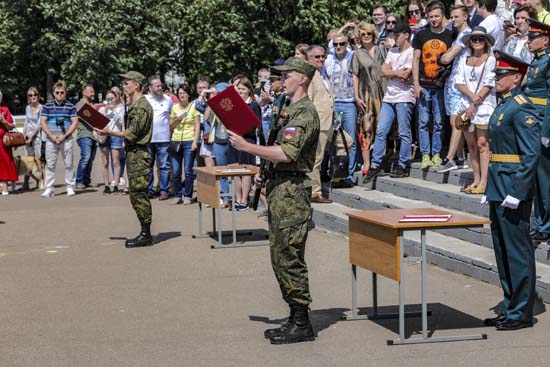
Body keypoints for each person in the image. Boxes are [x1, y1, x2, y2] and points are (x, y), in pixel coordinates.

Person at [227, 57, 319, 344]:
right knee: (279, 255)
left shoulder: (305, 113)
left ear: (302, 78)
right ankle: (294, 317)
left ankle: (302, 322)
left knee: (289, 256)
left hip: (292, 191)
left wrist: (248, 147)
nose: (281, 80)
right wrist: (263, 172)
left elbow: (288, 153)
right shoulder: (287, 107)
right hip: (280, 186)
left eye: (287, 75)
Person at [482, 51, 539, 330]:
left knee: (517, 251)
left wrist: (517, 191)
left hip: (513, 188)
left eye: (502, 75)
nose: (497, 79)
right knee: (503, 251)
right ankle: (509, 305)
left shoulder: (521, 107)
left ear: (516, 78)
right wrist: (490, 188)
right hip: (499, 186)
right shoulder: (504, 105)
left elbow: (530, 156)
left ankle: (521, 312)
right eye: (496, 75)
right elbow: (498, 152)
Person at [94, 71, 154, 248]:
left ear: (136, 85)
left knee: (139, 194)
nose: (124, 85)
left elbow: (131, 134)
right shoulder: (135, 105)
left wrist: (108, 132)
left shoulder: (142, 107)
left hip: (138, 154)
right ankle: (144, 232)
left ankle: (146, 234)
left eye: (127, 83)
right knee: (135, 194)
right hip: (134, 154)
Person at [363, 22, 416, 183]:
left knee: (404, 131)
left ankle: (403, 163)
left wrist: (391, 73)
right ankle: (375, 165)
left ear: (406, 35)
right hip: (390, 96)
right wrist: (394, 73)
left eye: (397, 35)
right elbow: (382, 71)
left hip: (405, 95)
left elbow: (405, 75)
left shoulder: (412, 52)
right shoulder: (392, 51)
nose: (394, 38)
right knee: (381, 130)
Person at [455, 27, 497, 195]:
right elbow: (458, 82)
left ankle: (485, 181)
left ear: (485, 41)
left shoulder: (490, 60)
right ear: (470, 43)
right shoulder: (464, 60)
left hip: (484, 105)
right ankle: (476, 178)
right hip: (466, 104)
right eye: (474, 39)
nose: (477, 42)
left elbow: (489, 84)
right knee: (471, 145)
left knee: (482, 144)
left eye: (481, 39)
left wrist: (475, 102)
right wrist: (471, 98)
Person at [412, 1, 455, 169]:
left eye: (437, 16)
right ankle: (425, 154)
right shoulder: (421, 35)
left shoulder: (450, 36)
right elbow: (415, 59)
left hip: (440, 86)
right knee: (423, 121)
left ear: (442, 15)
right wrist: (416, 84)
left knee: (438, 122)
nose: (434, 19)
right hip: (424, 84)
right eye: (430, 17)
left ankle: (436, 153)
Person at [523, 18, 550, 242]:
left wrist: (546, 132)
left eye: (533, 38)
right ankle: (540, 222)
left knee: (544, 179)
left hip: (542, 125)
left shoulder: (548, 62)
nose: (529, 41)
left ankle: (545, 224)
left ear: (545, 39)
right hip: (532, 124)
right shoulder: (536, 62)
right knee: (537, 179)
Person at [437, 5, 472, 173]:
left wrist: (443, 57)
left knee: (456, 121)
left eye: (456, 16)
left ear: (465, 17)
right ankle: (460, 157)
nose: (453, 20)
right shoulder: (458, 34)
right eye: (451, 17)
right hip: (453, 82)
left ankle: (450, 158)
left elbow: (447, 57)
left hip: (460, 82)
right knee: (455, 122)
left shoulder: (466, 34)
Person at [351, 22, 387, 176]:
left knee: (383, 128)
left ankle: (381, 160)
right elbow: (355, 75)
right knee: (365, 128)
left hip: (384, 94)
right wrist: (356, 96)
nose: (366, 37)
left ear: (373, 35)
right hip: (366, 94)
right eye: (363, 34)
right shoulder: (357, 54)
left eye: (369, 34)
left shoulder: (382, 49)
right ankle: (367, 162)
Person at [324, 32, 357, 186]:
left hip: (349, 102)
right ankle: (336, 173)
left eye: (342, 44)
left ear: (347, 44)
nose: (338, 47)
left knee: (350, 140)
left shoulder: (352, 57)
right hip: (334, 103)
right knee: (335, 140)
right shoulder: (329, 60)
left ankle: (348, 173)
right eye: (336, 44)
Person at [40, 80, 79, 197]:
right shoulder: (47, 106)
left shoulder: (71, 106)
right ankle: (49, 188)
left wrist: (65, 135)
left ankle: (70, 186)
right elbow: (43, 122)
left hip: (66, 139)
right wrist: (51, 136)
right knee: (50, 164)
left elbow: (75, 122)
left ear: (65, 93)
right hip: (50, 139)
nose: (60, 94)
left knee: (68, 163)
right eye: (57, 92)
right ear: (53, 93)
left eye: (62, 92)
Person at [307, 45, 334, 203]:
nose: (321, 59)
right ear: (309, 59)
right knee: (316, 158)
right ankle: (314, 192)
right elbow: (308, 101)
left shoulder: (323, 73)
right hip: (319, 123)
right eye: (317, 57)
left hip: (330, 122)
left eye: (322, 56)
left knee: (347, 143)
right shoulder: (310, 75)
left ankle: (338, 177)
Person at [229, 76, 261, 211]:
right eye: (238, 89)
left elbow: (257, 124)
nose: (240, 91)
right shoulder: (234, 103)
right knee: (235, 170)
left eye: (243, 89)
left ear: (249, 90)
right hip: (234, 139)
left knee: (246, 170)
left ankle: (244, 199)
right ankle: (237, 199)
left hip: (248, 140)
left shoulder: (253, 104)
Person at [169, 83, 200, 205]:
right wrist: (177, 119)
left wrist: (195, 142)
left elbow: (197, 126)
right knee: (176, 171)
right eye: (180, 93)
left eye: (184, 93)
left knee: (188, 170)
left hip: (188, 140)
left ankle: (187, 195)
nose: (182, 95)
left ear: (188, 95)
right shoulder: (174, 107)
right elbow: (170, 126)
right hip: (175, 140)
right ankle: (177, 195)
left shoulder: (193, 107)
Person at [145, 76, 173, 200]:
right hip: (148, 139)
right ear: (150, 88)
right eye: (157, 86)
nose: (160, 88)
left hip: (164, 139)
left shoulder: (168, 100)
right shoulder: (144, 99)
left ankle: (164, 191)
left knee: (164, 166)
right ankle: (149, 190)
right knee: (148, 166)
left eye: (160, 85)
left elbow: (172, 117)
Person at [98, 91, 124, 194]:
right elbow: (98, 121)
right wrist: (105, 111)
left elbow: (121, 122)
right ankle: (106, 185)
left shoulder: (120, 109)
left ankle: (116, 185)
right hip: (104, 135)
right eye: (108, 98)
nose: (110, 100)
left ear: (116, 98)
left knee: (116, 161)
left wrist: (114, 111)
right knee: (105, 161)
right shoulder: (102, 109)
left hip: (115, 134)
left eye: (112, 98)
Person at [75, 84, 98, 189]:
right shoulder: (80, 104)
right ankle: (79, 181)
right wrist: (94, 111)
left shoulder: (91, 105)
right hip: (84, 135)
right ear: (84, 92)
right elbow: (88, 119)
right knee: (86, 158)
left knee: (90, 160)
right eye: (91, 91)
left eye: (93, 92)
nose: (93, 94)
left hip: (93, 136)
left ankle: (87, 181)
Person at [21, 86, 44, 190]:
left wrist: (31, 137)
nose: (33, 96)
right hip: (28, 136)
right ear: (28, 97)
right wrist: (23, 135)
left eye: (35, 94)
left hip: (38, 136)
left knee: (39, 160)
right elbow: (26, 122)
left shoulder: (42, 108)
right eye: (30, 95)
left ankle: (41, 181)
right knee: (27, 160)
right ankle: (26, 183)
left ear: (38, 96)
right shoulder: (27, 107)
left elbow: (39, 125)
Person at [0, 92, 17, 196]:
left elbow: (11, 126)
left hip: (3, 140)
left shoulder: (5, 110)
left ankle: (5, 186)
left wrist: (3, 121)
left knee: (5, 163)